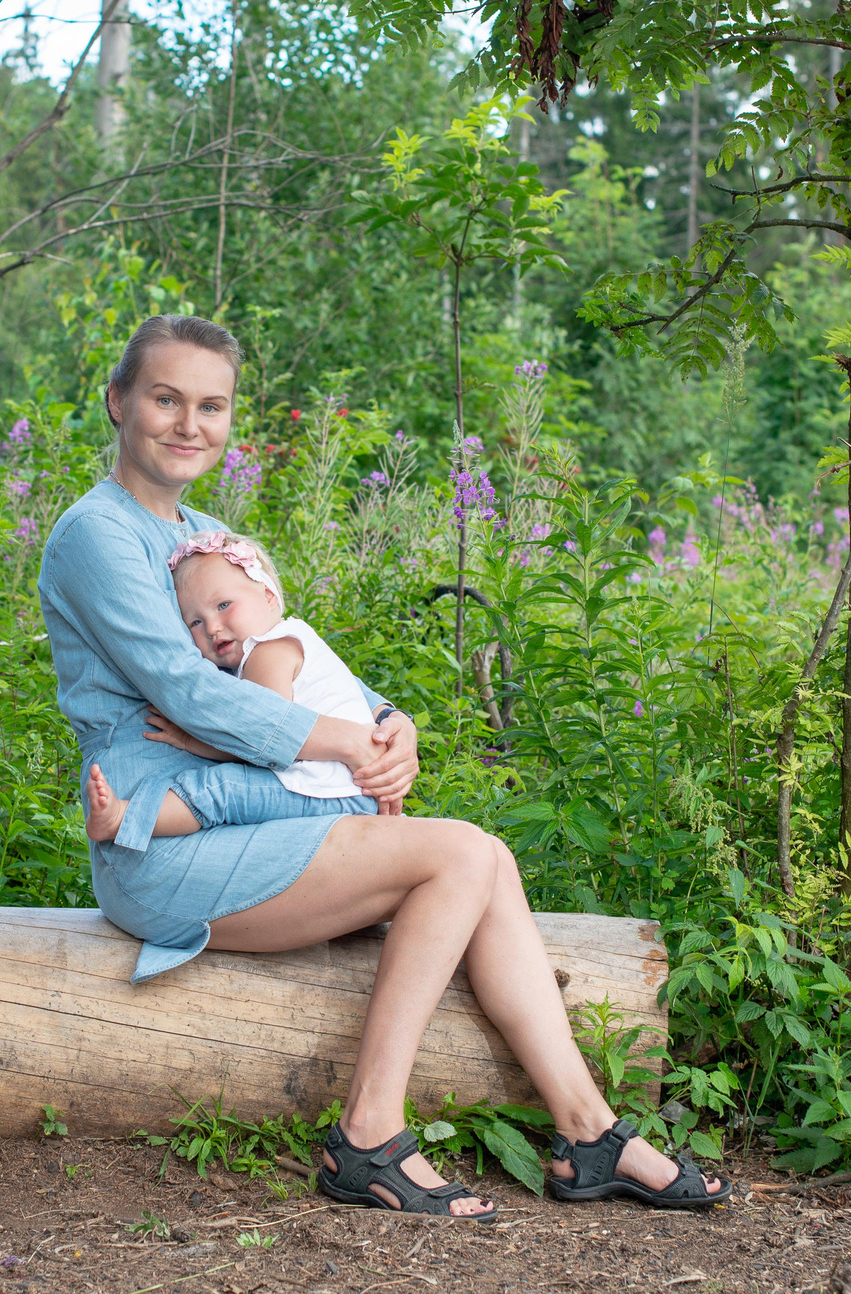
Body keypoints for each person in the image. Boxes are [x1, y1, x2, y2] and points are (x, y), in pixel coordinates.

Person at [36, 313, 729, 1219]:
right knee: (461, 853)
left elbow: (297, 662)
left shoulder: (208, 534)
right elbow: (191, 693)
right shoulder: (97, 534)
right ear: (120, 400)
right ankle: (366, 1134)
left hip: (266, 811)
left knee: (490, 859)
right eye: (165, 398)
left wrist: (389, 720)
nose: (187, 423)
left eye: (211, 405)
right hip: (158, 832)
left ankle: (589, 1130)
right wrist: (348, 743)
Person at [80, 530, 383, 844]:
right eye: (194, 623)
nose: (211, 627)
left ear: (268, 595)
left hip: (331, 790)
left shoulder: (269, 652)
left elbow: (257, 739)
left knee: (219, 790)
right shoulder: (284, 641)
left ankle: (124, 818)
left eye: (224, 605)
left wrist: (189, 740)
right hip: (342, 785)